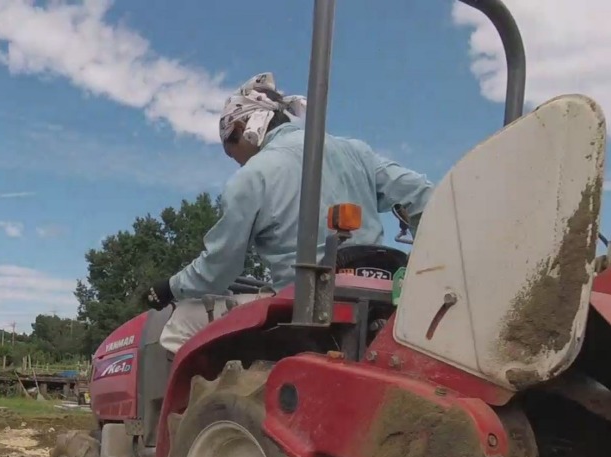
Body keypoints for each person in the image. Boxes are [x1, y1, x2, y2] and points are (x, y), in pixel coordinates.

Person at [142, 72, 434, 353]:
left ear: (242, 129)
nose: (238, 162)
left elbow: (218, 270)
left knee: (180, 323)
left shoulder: (253, 177)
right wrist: (425, 269)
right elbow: (422, 195)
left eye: (232, 153)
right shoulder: (357, 153)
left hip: (303, 308)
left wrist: (169, 288)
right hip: (378, 303)